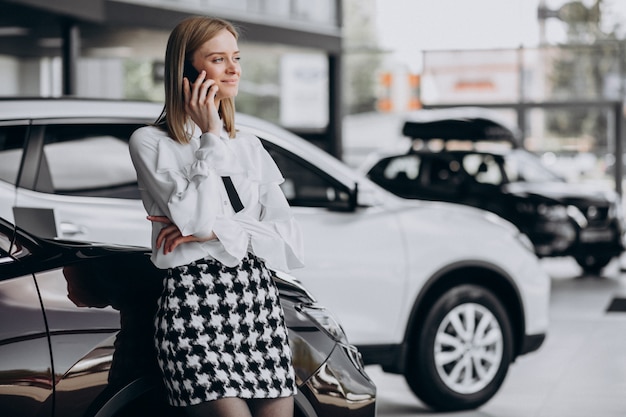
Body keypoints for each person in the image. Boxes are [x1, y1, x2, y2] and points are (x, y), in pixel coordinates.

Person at [128, 15, 304, 417]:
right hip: (194, 303)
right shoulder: (151, 143)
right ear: (188, 71)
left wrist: (213, 234)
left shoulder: (250, 145)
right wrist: (209, 137)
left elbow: (289, 238)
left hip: (257, 302)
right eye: (218, 59)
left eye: (236, 58)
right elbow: (194, 221)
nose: (233, 69)